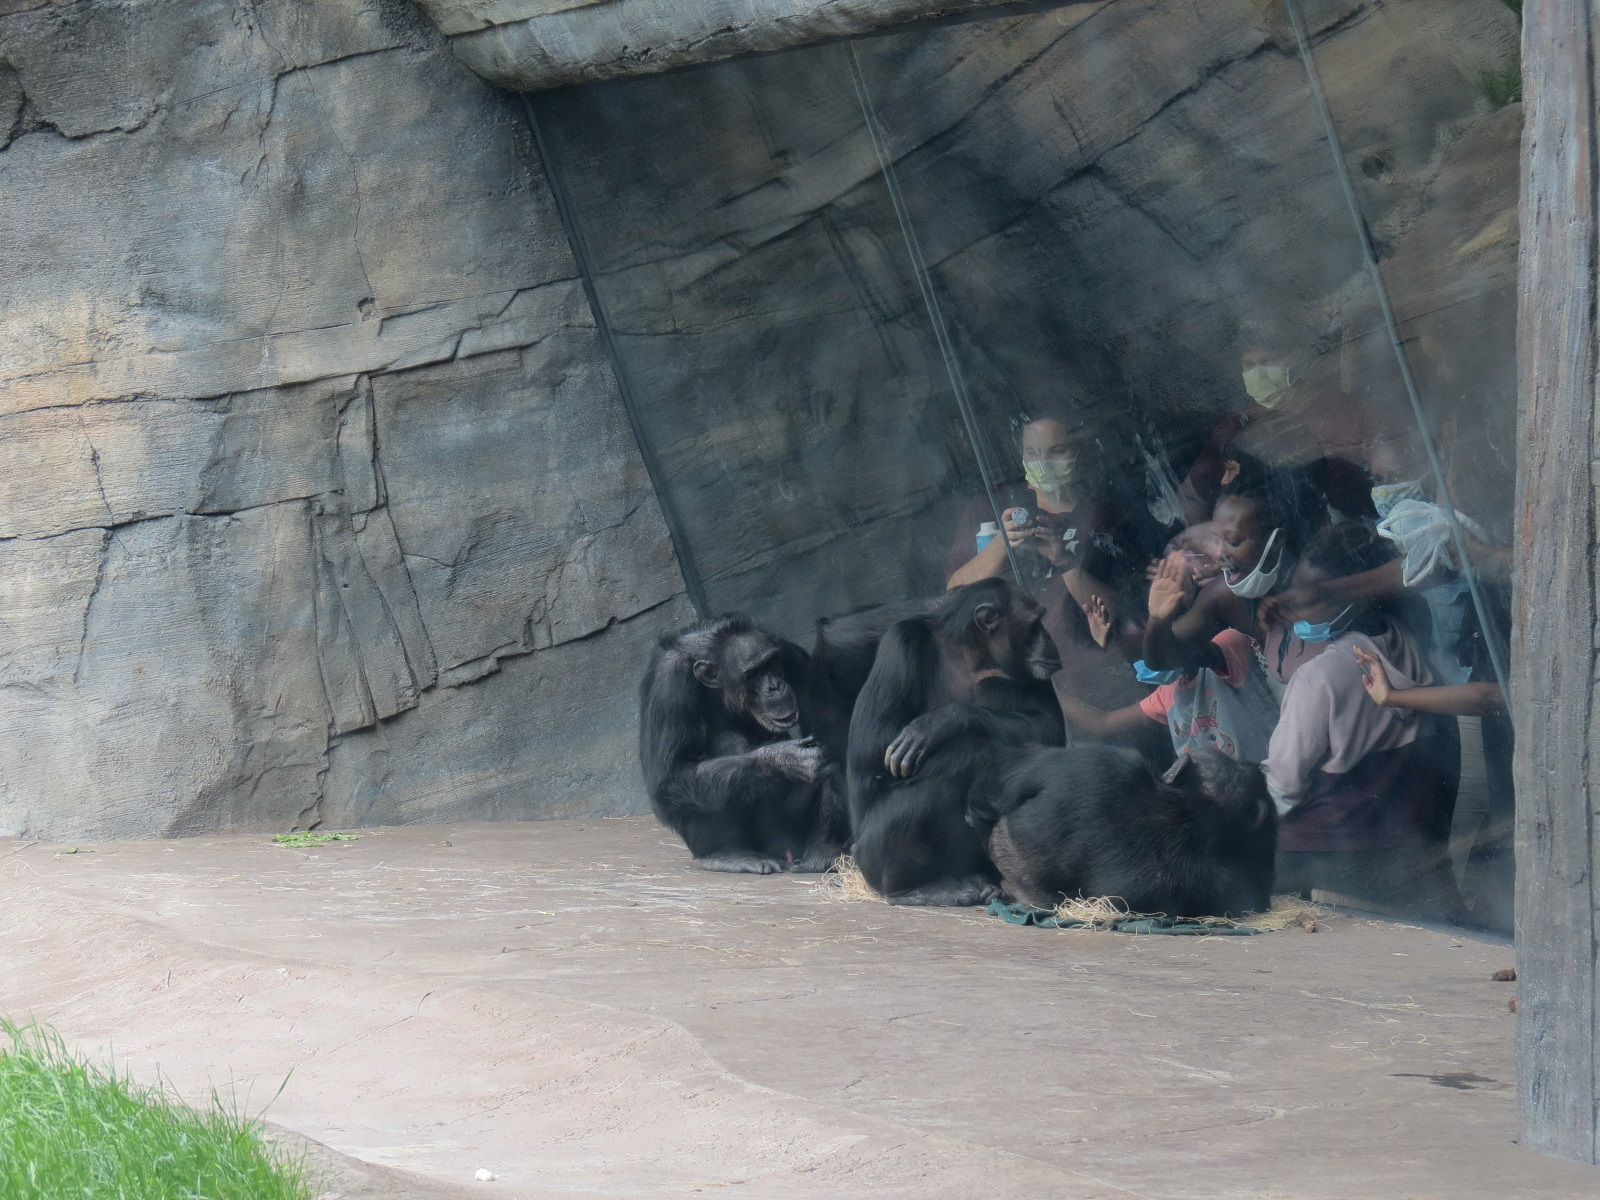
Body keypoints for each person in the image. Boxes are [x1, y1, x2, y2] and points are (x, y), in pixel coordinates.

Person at [1263, 522, 1463, 922]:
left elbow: (1281, 786)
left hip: (1327, 853)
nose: (1295, 608)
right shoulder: (1407, 645)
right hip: (1408, 839)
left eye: (1309, 599)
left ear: (1351, 598)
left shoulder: (1319, 678)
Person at [1057, 563, 1279, 766]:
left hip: (1272, 774)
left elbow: (1169, 655)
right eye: (1136, 657)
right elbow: (1101, 725)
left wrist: (1157, 622)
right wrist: (1043, 684)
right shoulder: (1168, 695)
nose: (1145, 662)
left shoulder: (1226, 648)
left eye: (1146, 648)